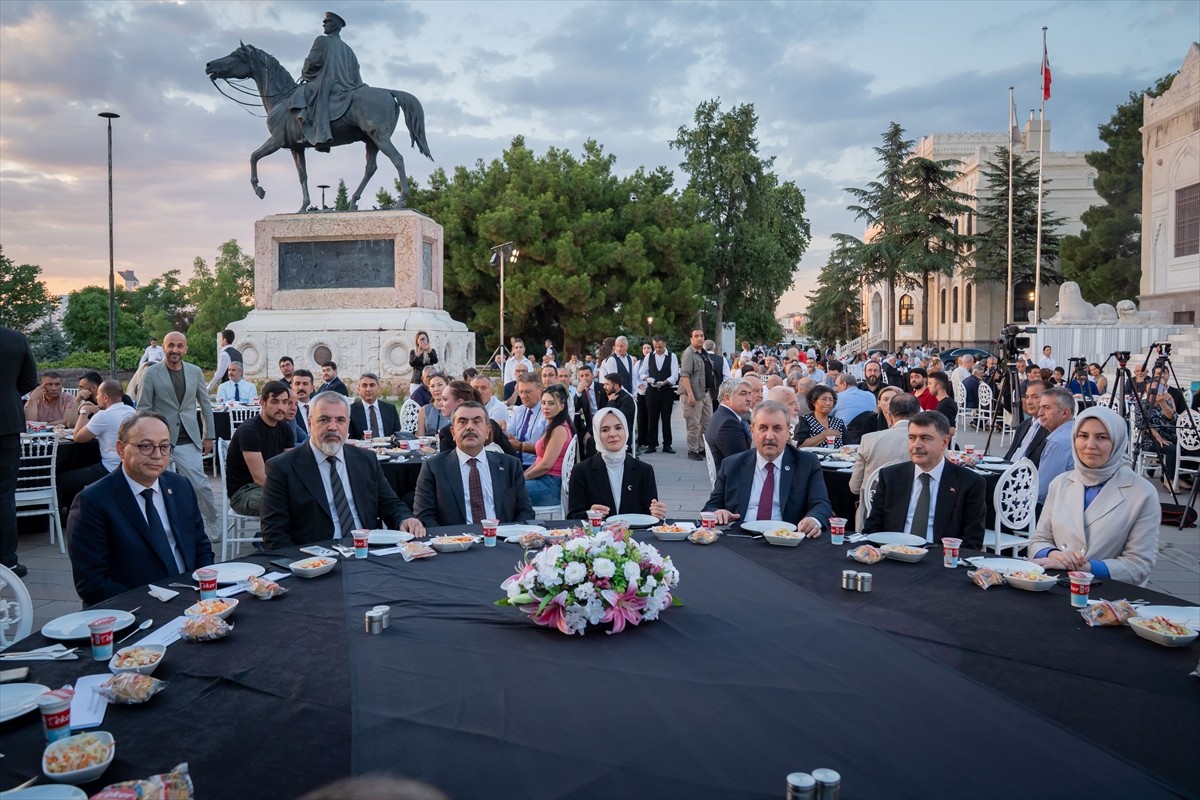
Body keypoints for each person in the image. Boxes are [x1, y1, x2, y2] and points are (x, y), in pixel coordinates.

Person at [67, 411, 215, 605]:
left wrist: (205, 590)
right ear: (120, 449)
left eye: (164, 447)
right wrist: (155, 604)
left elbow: (201, 546)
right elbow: (92, 583)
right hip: (135, 609)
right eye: (145, 446)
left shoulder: (180, 486)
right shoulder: (93, 502)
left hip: (192, 600)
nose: (156, 455)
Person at [261, 392, 424, 548]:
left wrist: (406, 519)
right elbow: (274, 533)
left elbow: (390, 503)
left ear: (348, 424)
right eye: (324, 420)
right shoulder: (282, 468)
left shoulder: (366, 460)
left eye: (340, 420)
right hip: (315, 559)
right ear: (310, 423)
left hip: (367, 552)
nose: (333, 427)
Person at [1027, 406, 1159, 586]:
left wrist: (1087, 567)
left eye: (1102, 437)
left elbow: (1139, 564)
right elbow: (1039, 540)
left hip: (1111, 598)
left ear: (1118, 441)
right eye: (1083, 436)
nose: (1090, 445)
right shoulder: (1060, 483)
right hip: (1056, 587)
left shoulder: (1142, 492)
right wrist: (1052, 554)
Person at [704, 401, 831, 537]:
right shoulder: (731, 465)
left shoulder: (806, 463)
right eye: (763, 428)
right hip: (741, 538)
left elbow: (821, 503)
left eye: (777, 428)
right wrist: (717, 513)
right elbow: (711, 506)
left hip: (787, 539)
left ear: (788, 432)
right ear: (752, 431)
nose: (769, 436)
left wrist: (813, 520)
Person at [862, 411, 987, 549]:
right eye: (912, 437)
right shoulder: (891, 476)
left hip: (941, 559)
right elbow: (872, 529)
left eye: (925, 438)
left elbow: (972, 540)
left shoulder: (968, 483)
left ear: (945, 442)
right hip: (893, 555)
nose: (916, 445)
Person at [139, 332, 219, 542]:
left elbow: (205, 404)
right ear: (163, 348)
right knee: (157, 486)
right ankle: (159, 527)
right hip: (159, 442)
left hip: (188, 438)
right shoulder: (151, 373)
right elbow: (144, 408)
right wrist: (146, 441)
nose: (175, 350)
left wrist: (208, 434)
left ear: (185, 349)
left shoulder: (195, 372)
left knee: (200, 485)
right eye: (171, 345)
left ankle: (211, 519)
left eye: (179, 346)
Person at [413, 401, 534, 527]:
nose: (470, 427)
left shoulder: (510, 465)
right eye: (462, 422)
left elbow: (525, 511)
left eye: (477, 421)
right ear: (453, 433)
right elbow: (424, 516)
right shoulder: (434, 467)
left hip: (501, 540)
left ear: (487, 431)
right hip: (455, 542)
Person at [568, 407, 666, 520]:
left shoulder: (644, 470)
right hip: (598, 536)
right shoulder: (581, 471)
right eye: (605, 430)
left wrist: (657, 512)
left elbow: (649, 515)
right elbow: (573, 516)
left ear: (626, 430)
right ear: (596, 434)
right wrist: (590, 514)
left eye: (618, 428)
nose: (613, 434)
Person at [59, 379, 136, 519]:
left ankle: (63, 515)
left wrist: (84, 411)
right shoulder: (132, 411)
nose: (96, 398)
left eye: (98, 396)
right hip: (129, 465)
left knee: (61, 480)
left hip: (110, 467)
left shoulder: (104, 416)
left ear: (105, 397)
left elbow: (78, 437)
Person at [289, 11, 364, 151]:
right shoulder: (349, 49)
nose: (324, 24)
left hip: (326, 83)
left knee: (300, 93)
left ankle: (313, 131)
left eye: (327, 22)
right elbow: (356, 72)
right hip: (347, 87)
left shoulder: (322, 40)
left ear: (335, 26)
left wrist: (305, 72)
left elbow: (313, 61)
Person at [850, 393, 920, 528]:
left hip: (871, 518)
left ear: (889, 415)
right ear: (918, 415)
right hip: (914, 518)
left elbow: (855, 488)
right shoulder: (929, 444)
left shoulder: (869, 440)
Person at [225, 381, 294, 516]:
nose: (281, 407)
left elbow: (291, 466)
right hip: (244, 492)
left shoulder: (285, 428)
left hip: (271, 486)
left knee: (305, 497)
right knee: (285, 501)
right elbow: (260, 477)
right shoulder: (250, 430)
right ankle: (272, 535)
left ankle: (275, 535)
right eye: (275, 402)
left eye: (285, 402)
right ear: (262, 403)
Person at [2, 327, 38, 577]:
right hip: (7, 423)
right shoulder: (16, 339)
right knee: (4, 494)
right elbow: (28, 382)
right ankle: (8, 561)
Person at [436, 381, 517, 458]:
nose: (440, 404)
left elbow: (446, 467)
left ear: (460, 402)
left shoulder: (446, 433)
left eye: (445, 399)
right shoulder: (492, 424)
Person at [523, 384, 574, 506]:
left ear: (562, 406)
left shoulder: (559, 430)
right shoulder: (552, 426)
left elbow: (546, 465)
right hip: (543, 479)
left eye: (551, 403)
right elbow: (539, 461)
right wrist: (522, 476)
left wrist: (523, 478)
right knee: (509, 485)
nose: (545, 407)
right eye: (543, 403)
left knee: (508, 491)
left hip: (551, 485)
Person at [1035, 387, 1076, 503]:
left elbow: (1040, 491)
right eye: (1040, 408)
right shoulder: (1076, 431)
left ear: (1064, 412)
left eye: (1046, 408)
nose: (1040, 413)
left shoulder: (1058, 443)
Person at [679, 329, 714, 461]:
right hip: (693, 395)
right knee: (693, 424)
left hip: (705, 393)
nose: (699, 338)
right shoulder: (689, 354)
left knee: (707, 423)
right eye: (696, 336)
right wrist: (690, 395)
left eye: (701, 336)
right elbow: (685, 375)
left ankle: (701, 448)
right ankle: (692, 450)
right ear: (691, 339)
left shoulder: (703, 353)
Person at [640, 335, 679, 455]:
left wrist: (665, 382)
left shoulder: (672, 356)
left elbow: (674, 375)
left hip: (667, 391)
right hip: (652, 391)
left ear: (665, 344)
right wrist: (648, 379)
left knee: (666, 418)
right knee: (652, 417)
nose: (657, 349)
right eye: (655, 347)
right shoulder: (649, 356)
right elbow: (642, 372)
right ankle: (652, 444)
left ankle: (667, 444)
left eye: (660, 347)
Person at [705, 379, 754, 470]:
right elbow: (743, 463)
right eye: (743, 394)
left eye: (749, 393)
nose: (749, 399)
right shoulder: (729, 425)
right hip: (733, 481)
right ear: (727, 398)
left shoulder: (722, 415)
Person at [1003, 380, 1050, 465]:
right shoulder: (1024, 425)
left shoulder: (1050, 428)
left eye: (1035, 397)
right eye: (1027, 397)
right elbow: (1009, 455)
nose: (1029, 402)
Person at [507, 374, 547, 466]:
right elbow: (509, 433)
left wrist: (521, 446)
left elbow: (547, 448)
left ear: (540, 390)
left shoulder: (547, 412)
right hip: (518, 463)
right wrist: (501, 431)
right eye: (521, 392)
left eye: (528, 392)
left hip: (537, 465)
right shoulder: (520, 410)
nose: (523, 396)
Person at [349, 372, 400, 439]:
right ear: (359, 390)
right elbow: (349, 438)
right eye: (364, 386)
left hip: (387, 447)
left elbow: (397, 434)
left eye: (372, 385)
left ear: (378, 388)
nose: (368, 389)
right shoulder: (351, 410)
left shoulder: (390, 409)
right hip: (362, 448)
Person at [797, 383, 846, 448]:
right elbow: (800, 446)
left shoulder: (838, 422)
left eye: (831, 400)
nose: (828, 403)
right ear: (814, 402)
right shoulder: (805, 420)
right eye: (824, 399)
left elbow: (848, 445)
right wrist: (825, 435)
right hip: (814, 457)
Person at [572, 364, 604, 459]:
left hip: (602, 421)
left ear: (592, 375)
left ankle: (591, 465)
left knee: (590, 440)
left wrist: (590, 431)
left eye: (587, 375)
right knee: (578, 437)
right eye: (581, 376)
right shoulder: (581, 392)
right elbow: (574, 408)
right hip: (590, 424)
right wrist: (578, 392)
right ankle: (582, 463)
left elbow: (604, 410)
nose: (584, 378)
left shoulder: (602, 388)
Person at [601, 372, 636, 452]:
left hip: (621, 435)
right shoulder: (609, 395)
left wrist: (611, 402)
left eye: (607, 384)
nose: (604, 387)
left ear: (616, 386)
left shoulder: (627, 399)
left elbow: (617, 417)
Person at [416, 372, 450, 437]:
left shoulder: (453, 409)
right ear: (429, 388)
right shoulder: (424, 410)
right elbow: (420, 436)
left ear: (447, 385)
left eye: (440, 385)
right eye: (432, 386)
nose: (436, 389)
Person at [927, 370, 958, 441]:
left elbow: (951, 430)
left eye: (930, 383)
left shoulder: (946, 405)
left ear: (938, 386)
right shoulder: (943, 402)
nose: (928, 386)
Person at [408, 330, 438, 397]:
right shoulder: (413, 352)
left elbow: (435, 360)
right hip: (417, 381)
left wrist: (429, 351)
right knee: (415, 399)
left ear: (427, 340)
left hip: (429, 380)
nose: (422, 341)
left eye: (424, 339)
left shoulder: (431, 351)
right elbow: (412, 363)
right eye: (421, 339)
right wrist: (418, 355)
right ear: (417, 341)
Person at [291, 369, 316, 435]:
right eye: (297, 384)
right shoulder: (288, 411)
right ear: (291, 387)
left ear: (312, 388)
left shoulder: (320, 408)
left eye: (305, 384)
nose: (301, 387)